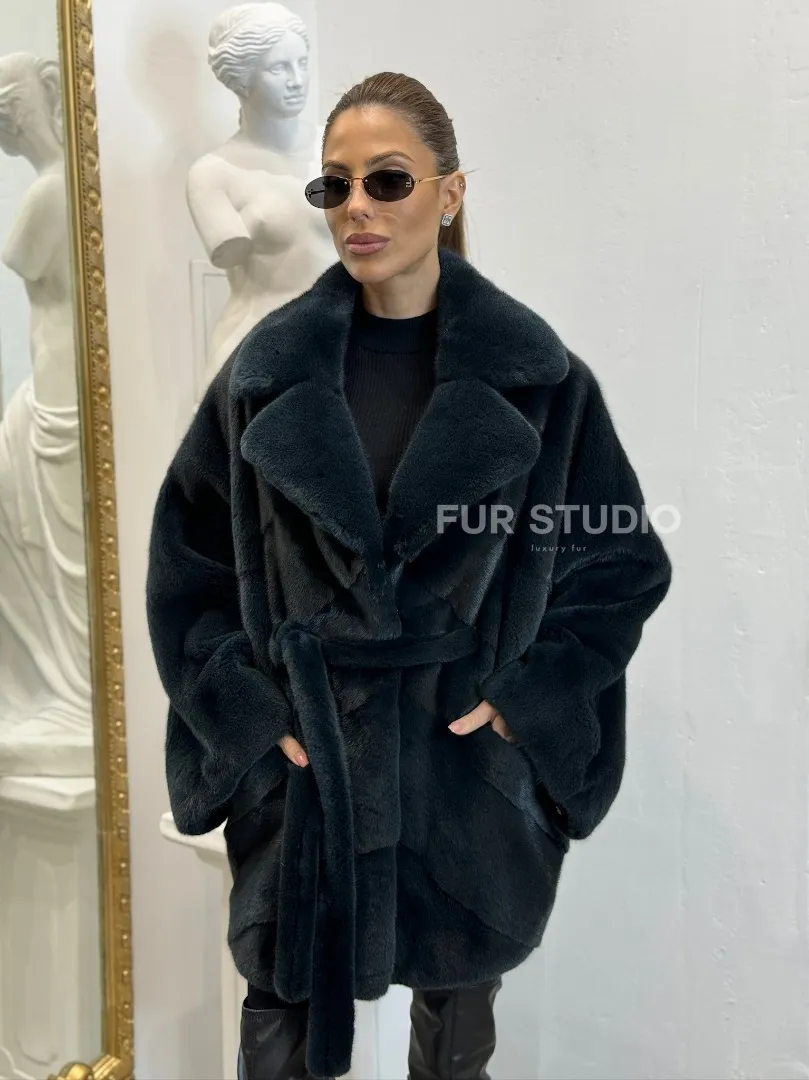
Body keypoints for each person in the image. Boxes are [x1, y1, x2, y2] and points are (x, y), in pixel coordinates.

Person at [145, 71, 673, 1080]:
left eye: (387, 180)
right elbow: (188, 569)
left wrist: (526, 701)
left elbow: (615, 564)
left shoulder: (539, 380)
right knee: (277, 1034)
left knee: (454, 1045)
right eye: (334, 185)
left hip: (462, 775)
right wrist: (249, 716)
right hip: (309, 779)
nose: (357, 207)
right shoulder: (265, 374)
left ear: (449, 191)